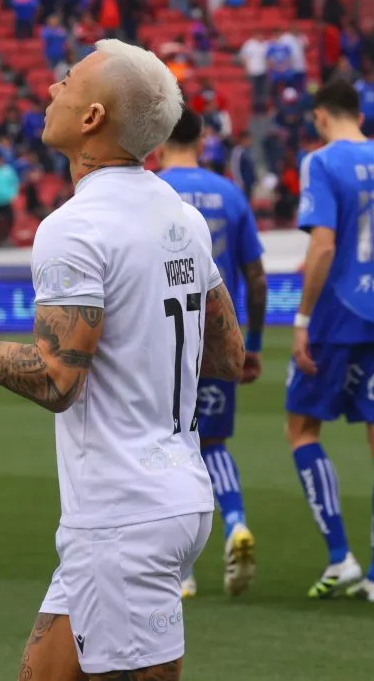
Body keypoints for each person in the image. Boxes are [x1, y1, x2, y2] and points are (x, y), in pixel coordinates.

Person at [0, 39, 245, 680]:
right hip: (165, 495)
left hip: (122, 513)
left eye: (67, 81)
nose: (52, 90)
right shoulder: (181, 215)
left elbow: (56, 381)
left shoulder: (75, 226)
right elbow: (228, 355)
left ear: (93, 118)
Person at [287, 79, 374, 604]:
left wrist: (303, 318)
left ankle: (339, 555)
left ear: (321, 115)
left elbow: (322, 246)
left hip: (335, 320)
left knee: (302, 430)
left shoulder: (321, 163)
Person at [158, 106, 267, 599]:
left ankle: (180, 571)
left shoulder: (151, 192)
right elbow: (257, 277)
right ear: (203, 140)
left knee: (167, 446)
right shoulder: (229, 194)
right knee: (215, 445)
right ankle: (237, 522)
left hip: (162, 345)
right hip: (217, 342)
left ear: (159, 139)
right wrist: (254, 346)